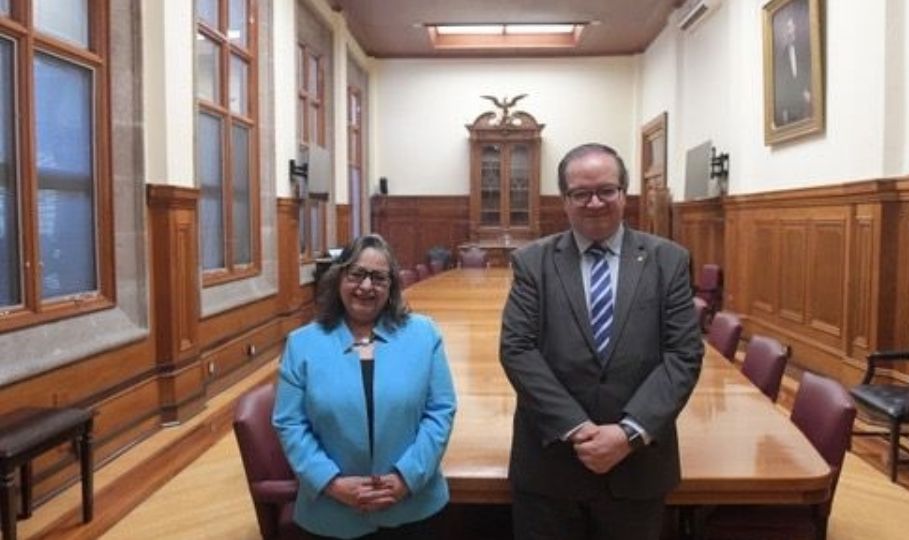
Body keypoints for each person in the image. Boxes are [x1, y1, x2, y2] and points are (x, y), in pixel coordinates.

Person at [500, 143, 703, 540]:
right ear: (565, 200)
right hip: (550, 465)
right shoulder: (532, 263)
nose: (595, 202)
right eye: (581, 193)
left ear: (624, 194)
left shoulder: (669, 261)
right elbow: (518, 349)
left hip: (638, 468)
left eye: (607, 190)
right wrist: (577, 428)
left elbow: (683, 354)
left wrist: (628, 433)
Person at [273, 234, 457, 539]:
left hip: (414, 507)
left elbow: (440, 411)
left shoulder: (424, 335)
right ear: (339, 278)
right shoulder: (302, 344)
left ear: (392, 286)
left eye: (378, 277)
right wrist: (331, 483)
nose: (366, 286)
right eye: (356, 274)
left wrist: (405, 478)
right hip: (332, 513)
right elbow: (290, 423)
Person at [773, 6, 812, 126]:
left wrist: (808, 91)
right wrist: (784, 111)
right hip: (791, 108)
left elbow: (809, 73)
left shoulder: (803, 50)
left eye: (793, 26)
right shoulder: (781, 59)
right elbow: (782, 89)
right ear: (785, 32)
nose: (792, 31)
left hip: (806, 103)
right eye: (789, 28)